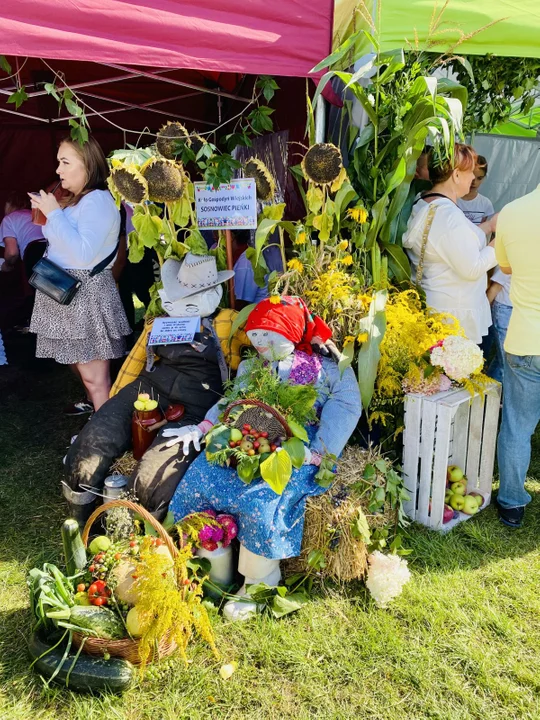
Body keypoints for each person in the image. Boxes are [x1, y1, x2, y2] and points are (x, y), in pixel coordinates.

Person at [167, 296, 362, 621]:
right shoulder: (250, 368)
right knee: (204, 476)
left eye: (270, 336)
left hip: (297, 445)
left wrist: (321, 451)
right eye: (256, 336)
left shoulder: (327, 371)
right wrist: (205, 426)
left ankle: (260, 582)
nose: (260, 344)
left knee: (264, 497)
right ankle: (215, 562)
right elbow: (232, 400)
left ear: (292, 332)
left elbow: (346, 406)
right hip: (248, 435)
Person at [64, 253, 249, 523]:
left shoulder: (230, 321)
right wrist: (114, 406)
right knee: (94, 440)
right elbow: (134, 362)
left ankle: (136, 530)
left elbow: (265, 335)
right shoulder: (157, 322)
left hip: (197, 404)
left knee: (154, 475)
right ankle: (81, 519)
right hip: (148, 389)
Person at [28, 136, 131, 411]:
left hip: (85, 294)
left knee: (96, 381)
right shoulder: (79, 201)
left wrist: (54, 214)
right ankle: (101, 434)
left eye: (65, 162)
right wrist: (51, 214)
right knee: (90, 379)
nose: (58, 170)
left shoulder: (97, 200)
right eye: (58, 162)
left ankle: (102, 443)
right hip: (70, 293)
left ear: (87, 165)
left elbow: (84, 254)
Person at [402, 144, 498, 344]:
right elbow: (471, 267)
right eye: (470, 172)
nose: (473, 179)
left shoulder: (424, 202)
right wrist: (502, 241)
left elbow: (453, 245)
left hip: (435, 306)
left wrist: (489, 226)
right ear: (455, 175)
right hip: (452, 319)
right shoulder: (448, 216)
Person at [494, 185, 540, 528]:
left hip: (524, 338)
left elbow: (505, 268)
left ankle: (511, 502)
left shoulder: (512, 211)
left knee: (516, 425)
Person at [0, 191, 45, 274]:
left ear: (9, 204)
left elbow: (12, 253)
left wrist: (6, 265)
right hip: (54, 248)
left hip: (35, 252)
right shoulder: (37, 215)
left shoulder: (9, 218)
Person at [486, 268, 512, 384]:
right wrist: (484, 313)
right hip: (504, 310)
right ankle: (500, 398)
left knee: (500, 358)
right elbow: (494, 288)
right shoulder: (510, 259)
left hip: (515, 311)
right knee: (506, 363)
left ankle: (489, 395)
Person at [457, 155, 495, 225]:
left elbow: (484, 231)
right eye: (471, 177)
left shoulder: (485, 204)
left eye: (479, 178)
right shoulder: (452, 200)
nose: (474, 182)